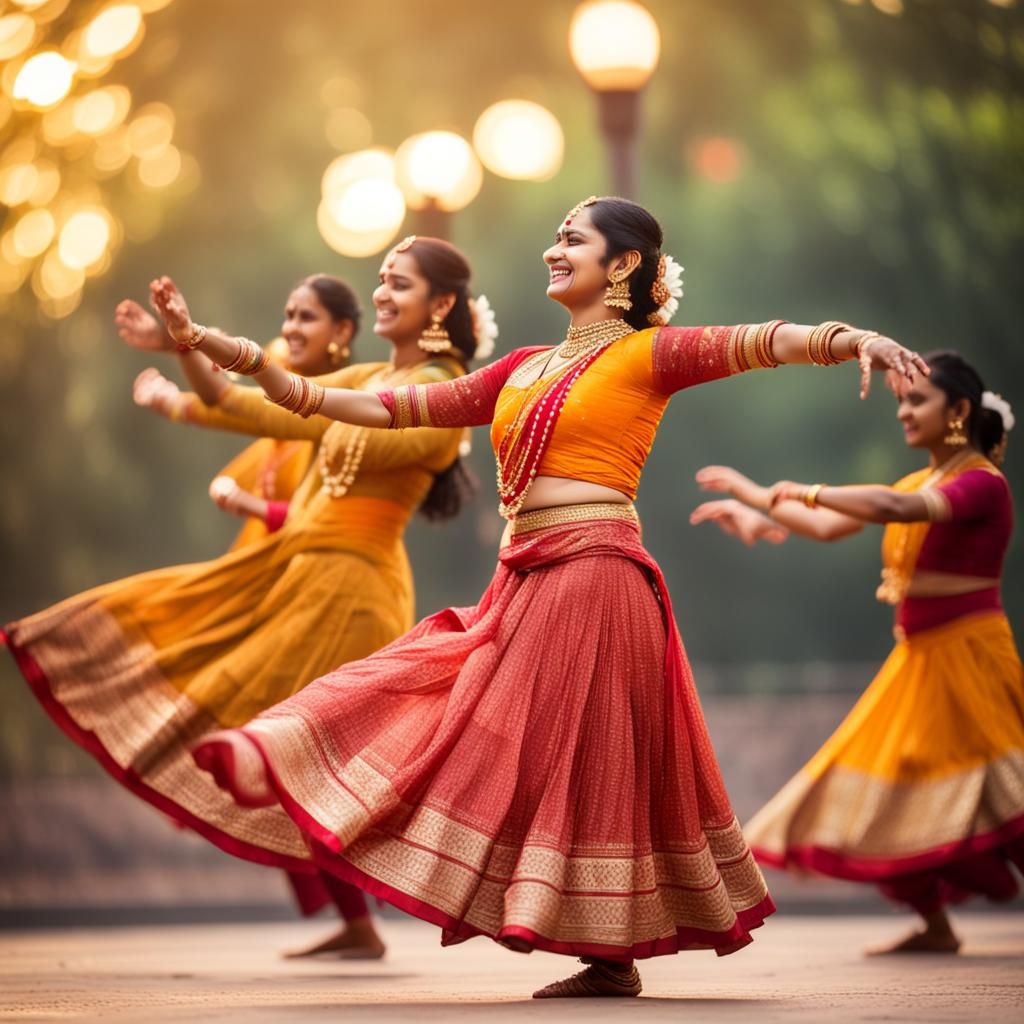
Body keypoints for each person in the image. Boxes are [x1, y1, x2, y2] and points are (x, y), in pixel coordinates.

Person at [184, 195, 926, 998]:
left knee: (585, 757)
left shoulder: (649, 355)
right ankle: (296, 755)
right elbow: (390, 407)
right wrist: (262, 371)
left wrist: (851, 340)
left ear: (625, 265)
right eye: (555, 236)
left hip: (598, 572)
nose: (552, 250)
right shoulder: (521, 366)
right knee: (457, 705)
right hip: (525, 578)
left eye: (572, 239)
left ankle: (611, 956)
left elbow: (757, 342)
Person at [3, 238, 488, 959]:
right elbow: (244, 403)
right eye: (379, 280)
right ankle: (362, 924)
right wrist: (188, 341)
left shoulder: (446, 390)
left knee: (306, 749)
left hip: (356, 591)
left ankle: (444, 886)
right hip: (299, 578)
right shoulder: (364, 374)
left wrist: (210, 353)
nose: (382, 292)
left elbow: (308, 402)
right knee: (286, 743)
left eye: (400, 284)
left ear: (440, 305)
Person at [690, 350, 1022, 955]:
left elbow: (890, 510)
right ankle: (934, 924)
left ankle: (937, 920)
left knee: (1008, 794)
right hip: (918, 661)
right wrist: (754, 503)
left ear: (960, 410)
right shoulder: (920, 481)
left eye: (916, 400)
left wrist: (805, 490)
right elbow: (823, 527)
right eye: (900, 400)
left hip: (971, 658)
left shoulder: (981, 484)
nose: (903, 412)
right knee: (891, 789)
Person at [118, 273, 356, 550]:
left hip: (312, 567)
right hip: (260, 555)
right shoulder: (280, 361)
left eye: (307, 317)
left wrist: (250, 505)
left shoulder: (348, 408)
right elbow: (226, 401)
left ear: (341, 331)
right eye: (289, 316)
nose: (291, 328)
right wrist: (179, 340)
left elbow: (325, 524)